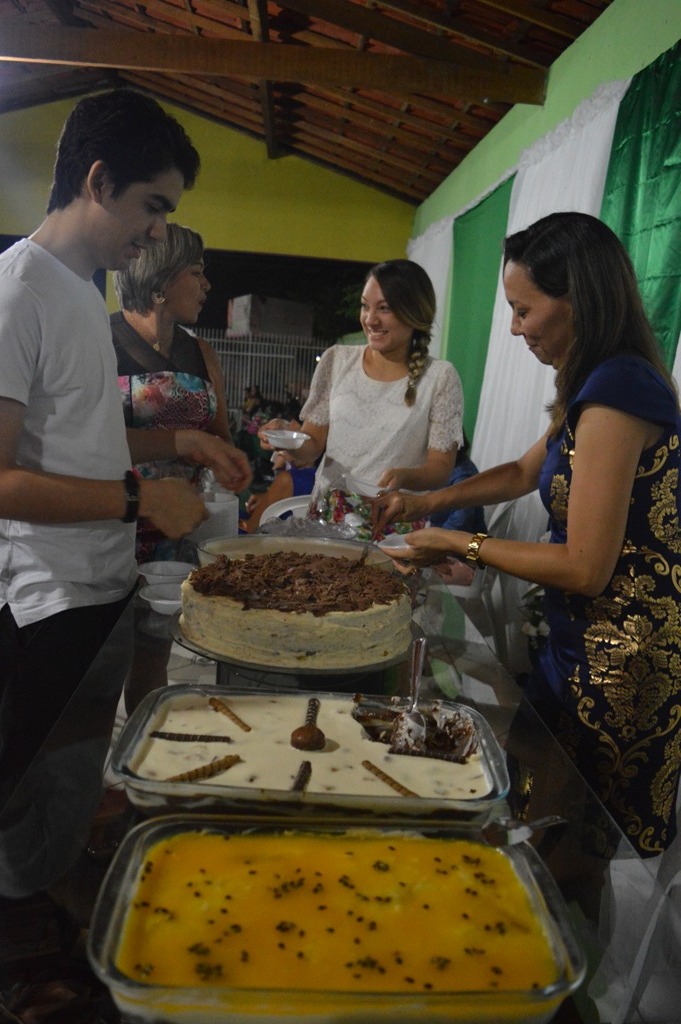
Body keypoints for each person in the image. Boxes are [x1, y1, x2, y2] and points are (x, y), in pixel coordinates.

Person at [373, 212, 681, 857]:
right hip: (581, 639)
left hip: (620, 658)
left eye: (523, 309)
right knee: (542, 807)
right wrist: (427, 501)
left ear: (580, 300)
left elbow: (585, 568)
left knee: (573, 837)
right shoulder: (592, 382)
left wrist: (458, 543)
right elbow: (518, 472)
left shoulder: (620, 389)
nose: (515, 328)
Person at [0, 88, 212, 898]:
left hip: (98, 582)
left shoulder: (80, 288)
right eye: (152, 206)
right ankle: (28, 961)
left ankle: (58, 918)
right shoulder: (18, 289)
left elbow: (82, 440)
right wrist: (139, 503)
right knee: (30, 796)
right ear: (96, 181)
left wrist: (174, 443)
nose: (158, 231)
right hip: (43, 600)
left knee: (74, 782)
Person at [112, 223, 252, 710]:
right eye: (196, 272)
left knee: (152, 660)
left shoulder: (201, 352)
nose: (206, 284)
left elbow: (220, 437)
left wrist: (232, 462)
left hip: (176, 534)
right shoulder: (100, 342)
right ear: (159, 280)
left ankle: (137, 757)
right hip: (110, 526)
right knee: (99, 670)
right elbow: (80, 444)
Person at [259, 259, 463, 539]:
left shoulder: (440, 377)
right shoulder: (336, 360)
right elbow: (312, 445)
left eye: (384, 308)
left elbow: (440, 468)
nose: (370, 319)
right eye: (366, 306)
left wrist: (405, 477)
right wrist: (287, 437)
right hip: (328, 521)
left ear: (414, 311)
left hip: (395, 524)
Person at [430, 436, 487, 586]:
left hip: (468, 553)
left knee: (412, 569)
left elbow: (460, 522)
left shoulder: (462, 475)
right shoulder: (448, 470)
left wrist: (433, 548)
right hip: (451, 542)